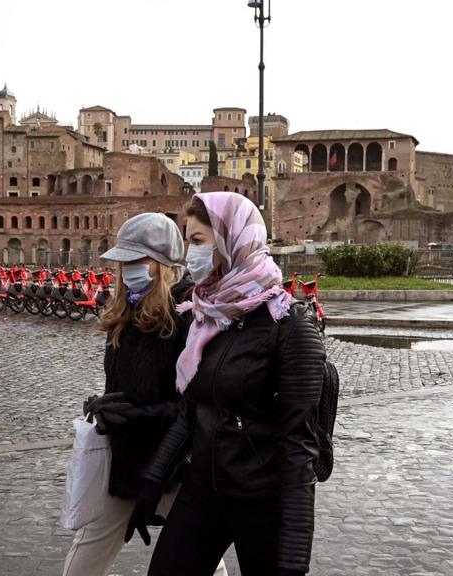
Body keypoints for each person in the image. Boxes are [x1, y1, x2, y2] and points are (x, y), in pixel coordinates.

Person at [129, 193, 326, 576]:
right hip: (203, 491)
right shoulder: (207, 314)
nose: (190, 254)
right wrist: (152, 481)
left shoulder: (290, 326)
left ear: (230, 240)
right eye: (188, 241)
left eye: (199, 241)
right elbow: (192, 410)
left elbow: (300, 448)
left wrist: (293, 559)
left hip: (263, 503)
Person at [62, 212, 226, 576]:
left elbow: (195, 403)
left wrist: (138, 414)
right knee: (81, 566)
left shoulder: (187, 315)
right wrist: (105, 405)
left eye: (135, 260)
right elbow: (123, 386)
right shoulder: (125, 309)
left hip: (172, 468)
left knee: (204, 562)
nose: (125, 268)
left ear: (159, 264)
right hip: (122, 464)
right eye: (124, 261)